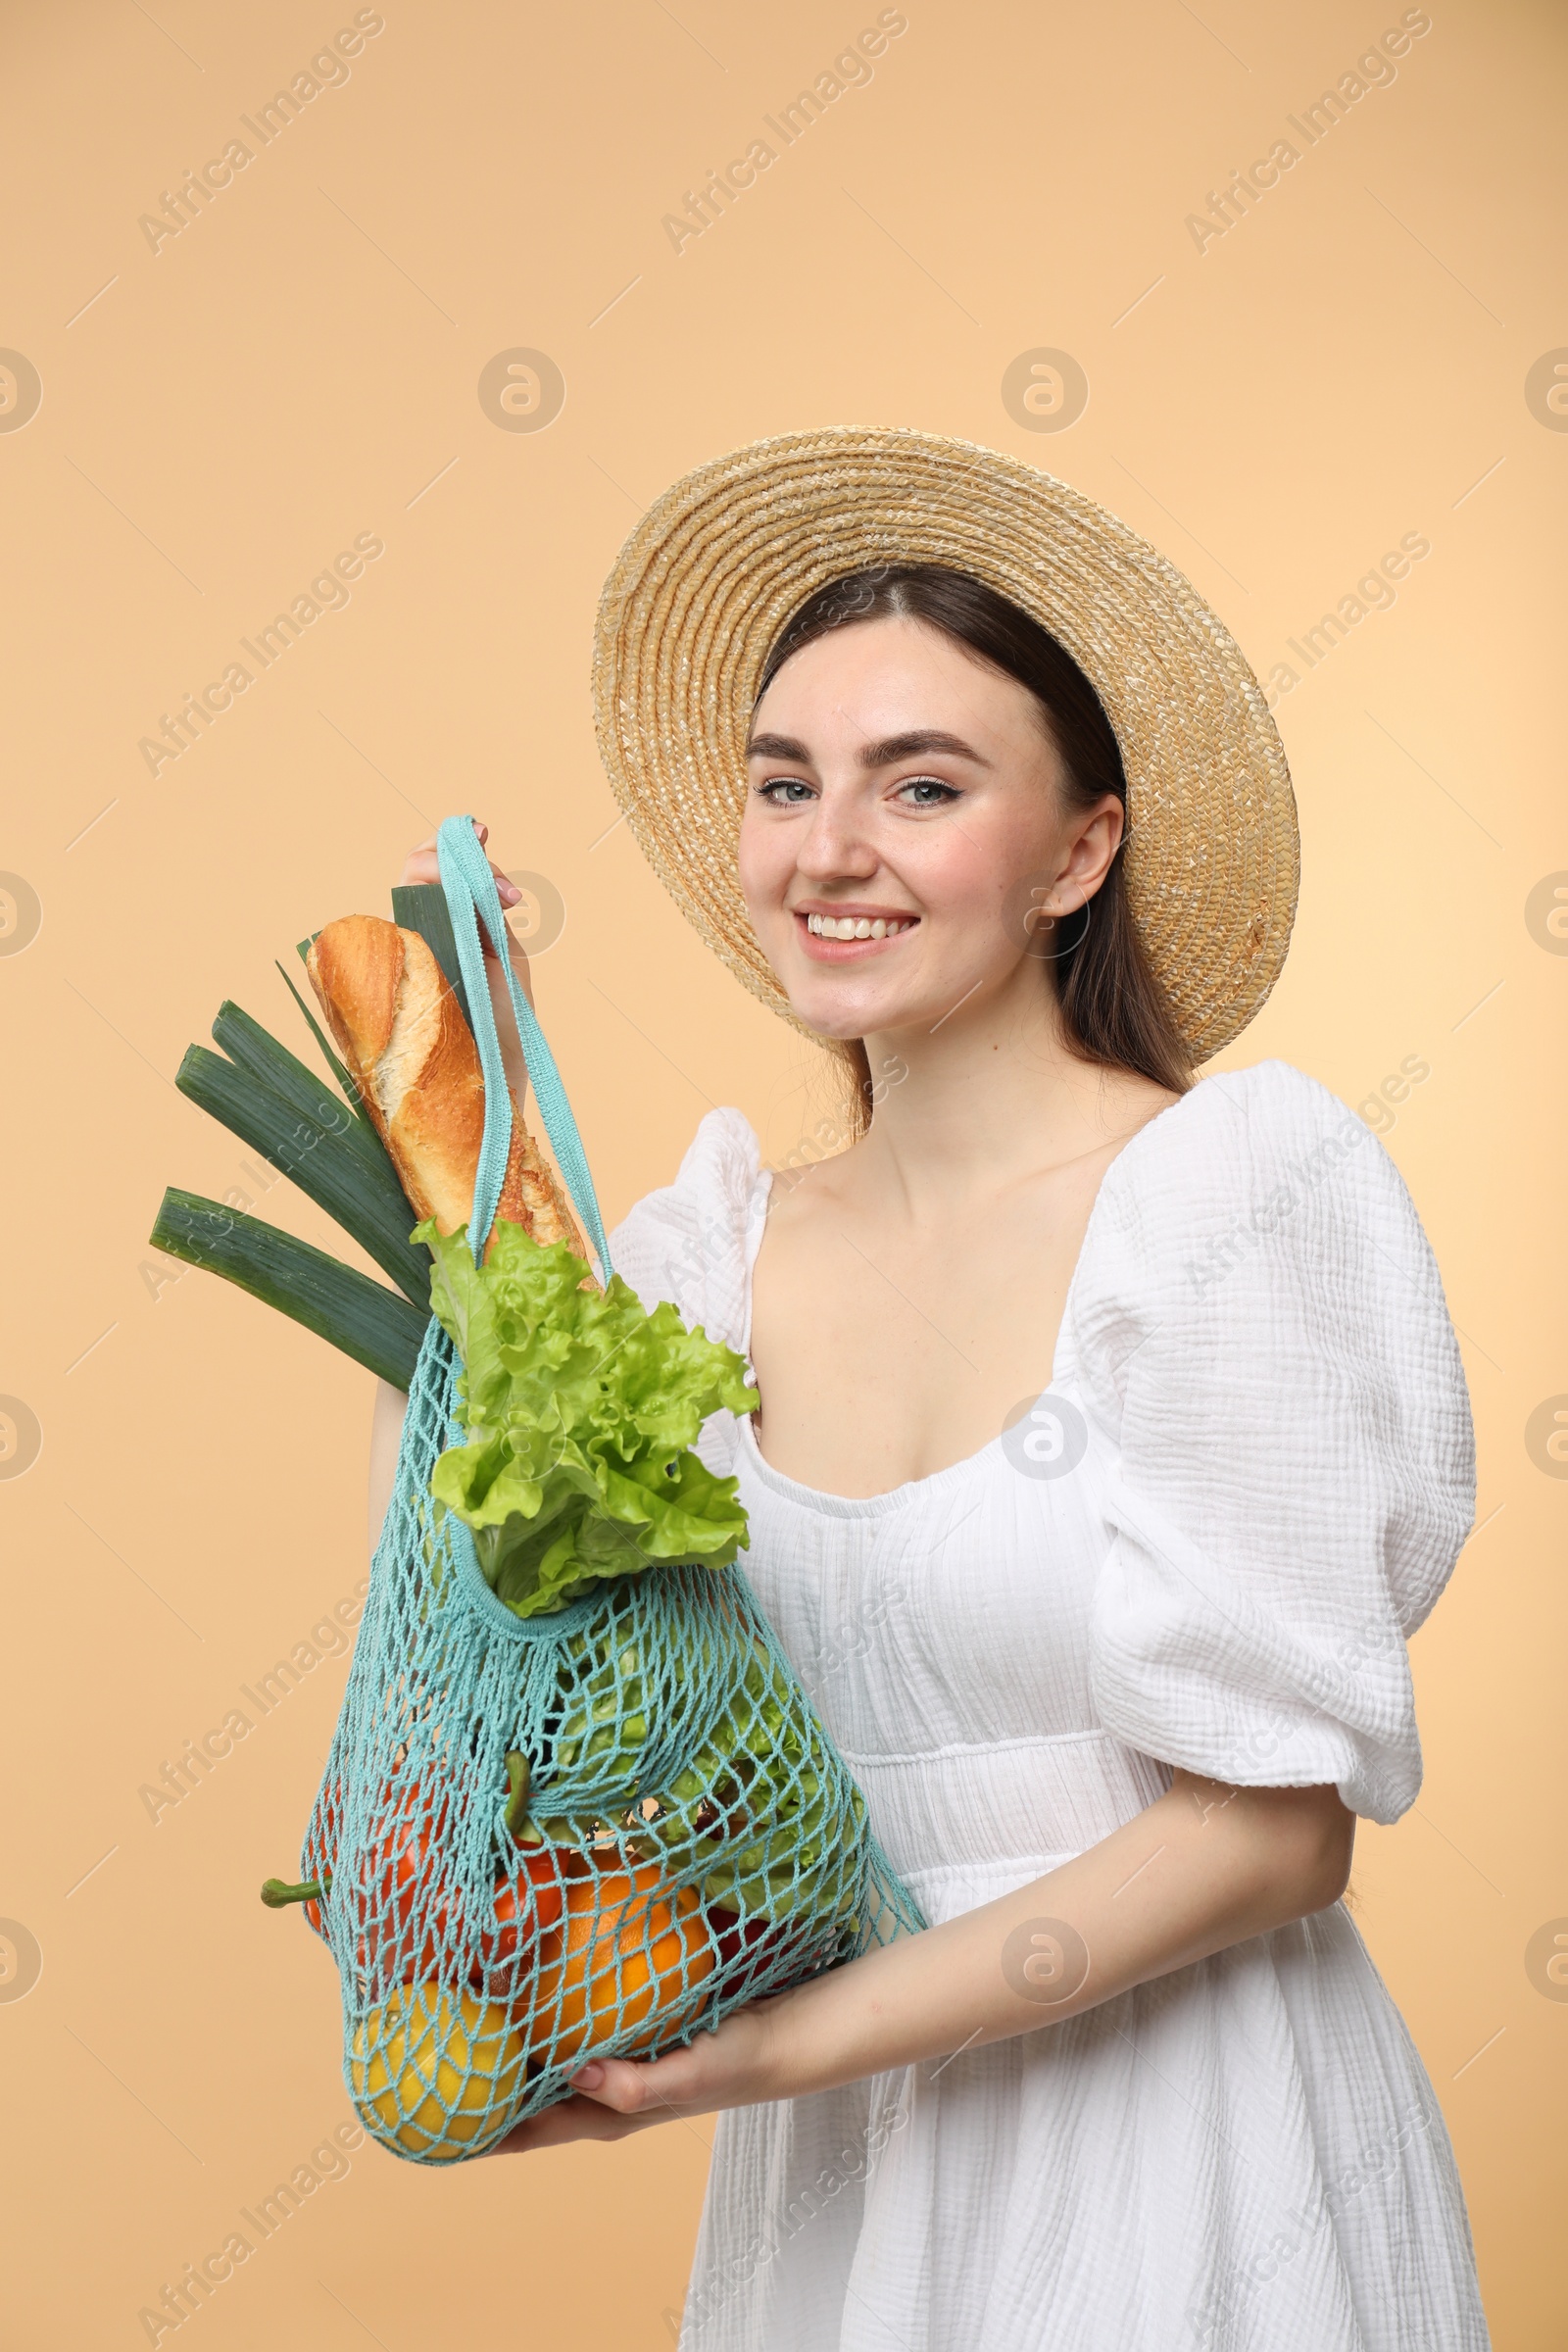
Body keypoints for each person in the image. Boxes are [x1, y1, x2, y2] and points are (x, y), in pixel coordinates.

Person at [384, 430, 1489, 2349]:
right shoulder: (702, 1260)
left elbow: (1267, 1834)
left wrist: (755, 2056)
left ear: (1079, 848)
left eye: (922, 787)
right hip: (839, 2188)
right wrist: (476, 1126)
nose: (829, 850)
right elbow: (561, 1655)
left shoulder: (1226, 1207)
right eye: (784, 784)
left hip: (1189, 2160)